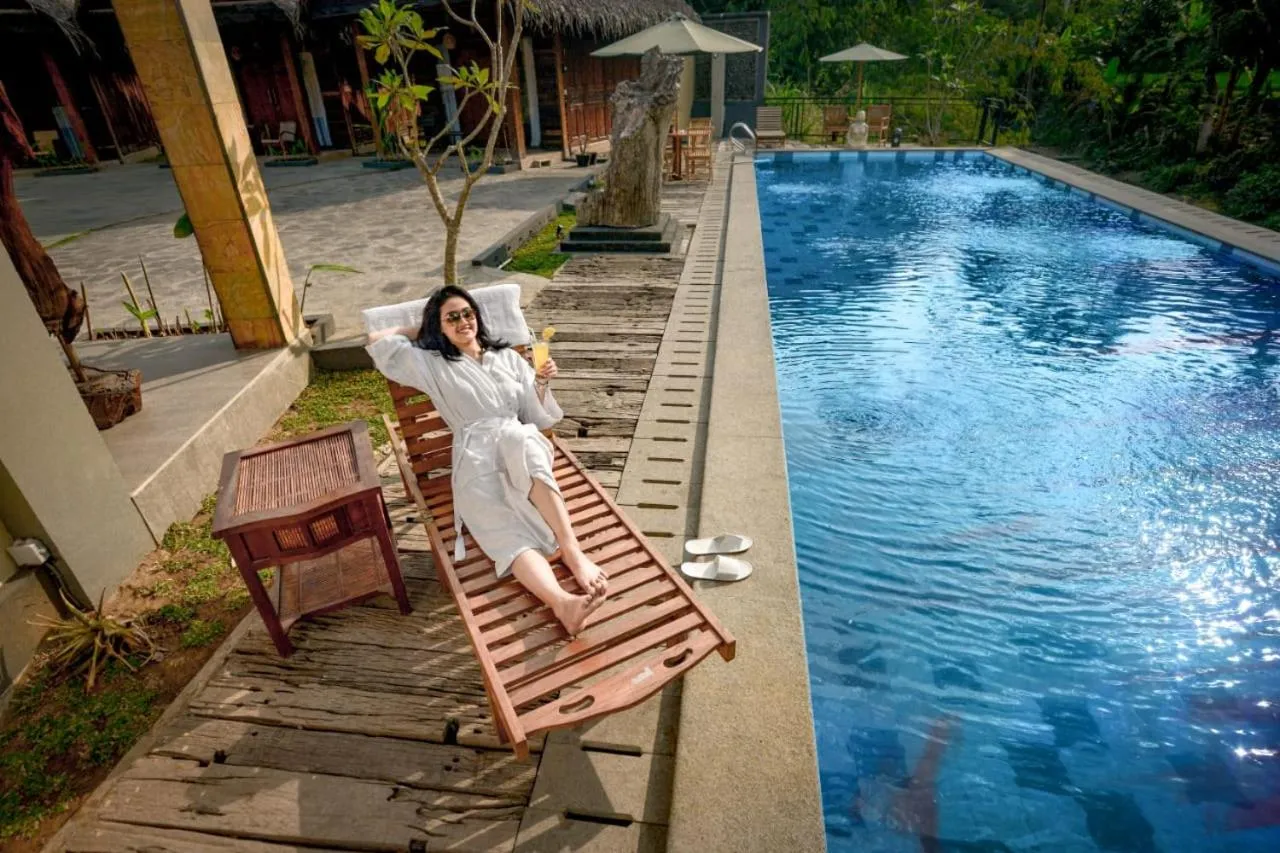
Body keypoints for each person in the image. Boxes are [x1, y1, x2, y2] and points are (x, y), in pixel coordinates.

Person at [366, 286, 608, 635]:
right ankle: (562, 603)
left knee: (522, 439)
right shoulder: (431, 363)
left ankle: (572, 552)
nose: (463, 321)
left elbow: (535, 417)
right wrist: (421, 330)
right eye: (451, 317)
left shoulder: (507, 358)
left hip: (516, 441)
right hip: (475, 455)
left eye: (468, 313)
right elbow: (378, 340)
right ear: (439, 326)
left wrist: (539, 383)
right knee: (502, 530)